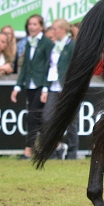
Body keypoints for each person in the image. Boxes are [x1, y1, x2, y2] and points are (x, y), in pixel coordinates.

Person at [11, 15, 54, 160]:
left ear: (41, 26)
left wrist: (46, 88)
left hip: (41, 85)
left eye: (35, 24)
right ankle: (56, 145)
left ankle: (28, 150)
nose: (32, 27)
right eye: (30, 24)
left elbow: (50, 65)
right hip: (30, 84)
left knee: (32, 117)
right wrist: (17, 86)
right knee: (39, 118)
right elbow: (25, 67)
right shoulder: (29, 42)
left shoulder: (47, 43)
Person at [41, 18, 76, 159]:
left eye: (55, 29)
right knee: (47, 117)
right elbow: (50, 67)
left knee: (71, 121)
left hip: (68, 88)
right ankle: (54, 148)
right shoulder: (54, 46)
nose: (53, 31)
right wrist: (45, 88)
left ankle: (72, 152)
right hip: (53, 87)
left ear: (62, 30)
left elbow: (76, 67)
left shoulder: (72, 45)